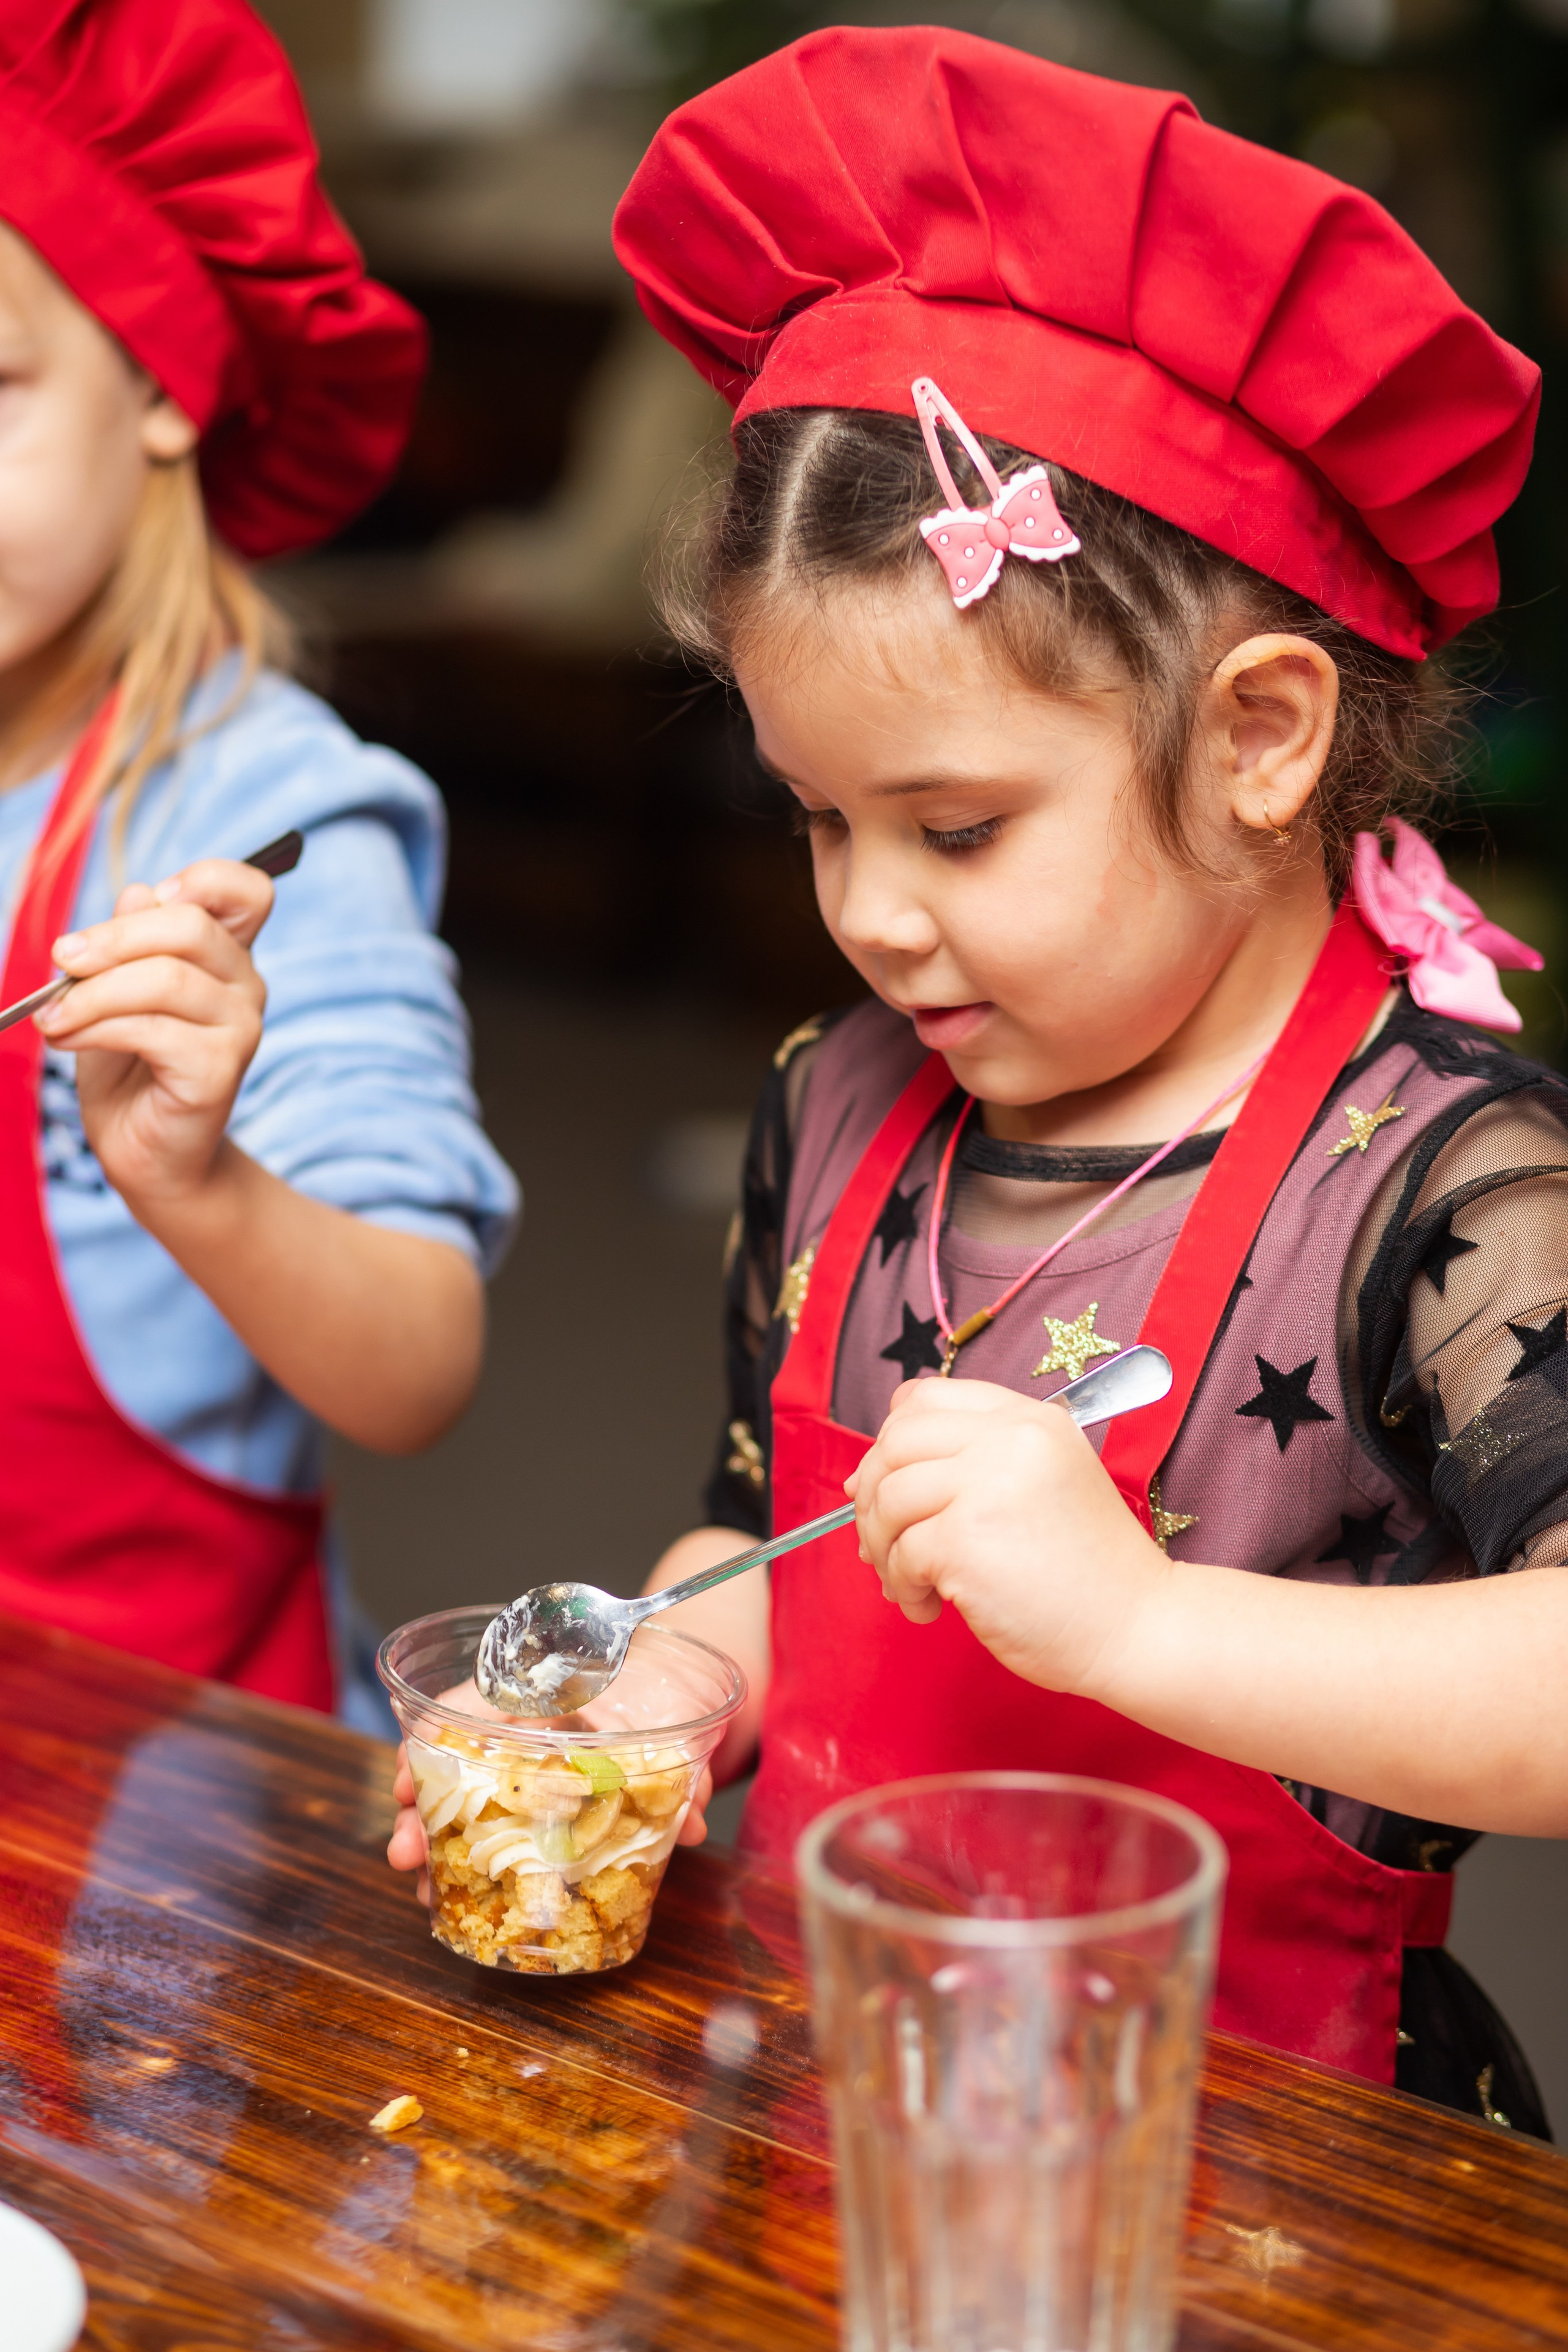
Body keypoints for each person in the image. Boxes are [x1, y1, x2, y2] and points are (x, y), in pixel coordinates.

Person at [389, 26, 1560, 2127]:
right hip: (840, 2106)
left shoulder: (1447, 1187)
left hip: (1276, 2183)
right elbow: (764, 1532)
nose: (872, 918)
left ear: (1265, 736)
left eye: (954, 829)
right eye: (818, 821)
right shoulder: (842, 1101)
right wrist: (667, 1695)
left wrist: (1136, 1618)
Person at [0, 0, 516, 1725]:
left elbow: (418, 1363)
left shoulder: (253, 816)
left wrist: (195, 1181)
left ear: (161, 378)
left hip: (165, 1814)